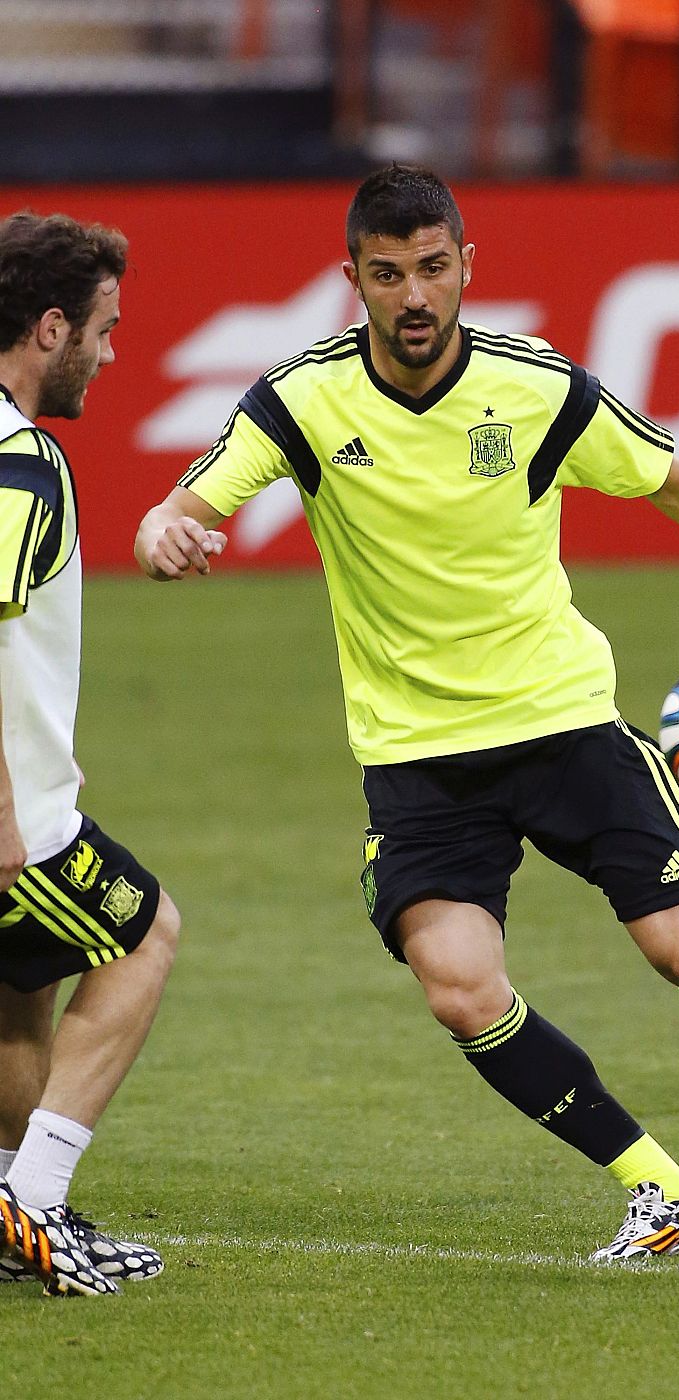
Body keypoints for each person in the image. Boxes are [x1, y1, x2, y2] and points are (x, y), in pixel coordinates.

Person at [137, 164, 679, 1259]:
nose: (412, 296)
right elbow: (187, 500)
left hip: (565, 724)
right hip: (419, 759)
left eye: (430, 269)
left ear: (468, 265)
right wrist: (164, 534)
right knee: (461, 992)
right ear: (350, 280)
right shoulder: (302, 398)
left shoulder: (536, 386)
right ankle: (662, 1190)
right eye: (386, 275)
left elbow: (677, 483)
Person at [0, 211, 181, 1295]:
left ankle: (14, 1206)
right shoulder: (19, 462)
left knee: (20, 988)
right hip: (15, 814)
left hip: (33, 786)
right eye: (104, 330)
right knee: (144, 932)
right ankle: (38, 1204)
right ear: (51, 326)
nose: (111, 354)